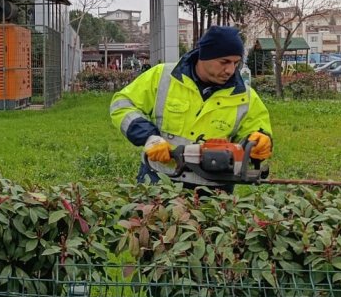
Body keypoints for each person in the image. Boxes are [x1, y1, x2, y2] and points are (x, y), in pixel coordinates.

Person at [109, 26, 272, 192]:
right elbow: (122, 104)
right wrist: (149, 137)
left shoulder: (245, 96)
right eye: (224, 62)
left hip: (214, 190)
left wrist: (260, 142)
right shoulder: (162, 77)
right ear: (204, 56)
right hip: (159, 180)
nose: (230, 70)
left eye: (236, 63)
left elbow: (257, 130)